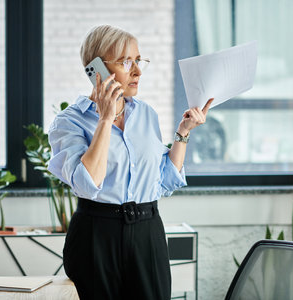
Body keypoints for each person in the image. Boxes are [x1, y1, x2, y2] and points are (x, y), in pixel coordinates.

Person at [48, 24, 213, 300]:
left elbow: (162, 182)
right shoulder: (69, 121)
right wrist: (104, 118)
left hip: (148, 232)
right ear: (96, 69)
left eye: (139, 61)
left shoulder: (146, 114)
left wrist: (182, 133)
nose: (137, 71)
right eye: (127, 62)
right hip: (96, 236)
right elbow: (87, 184)